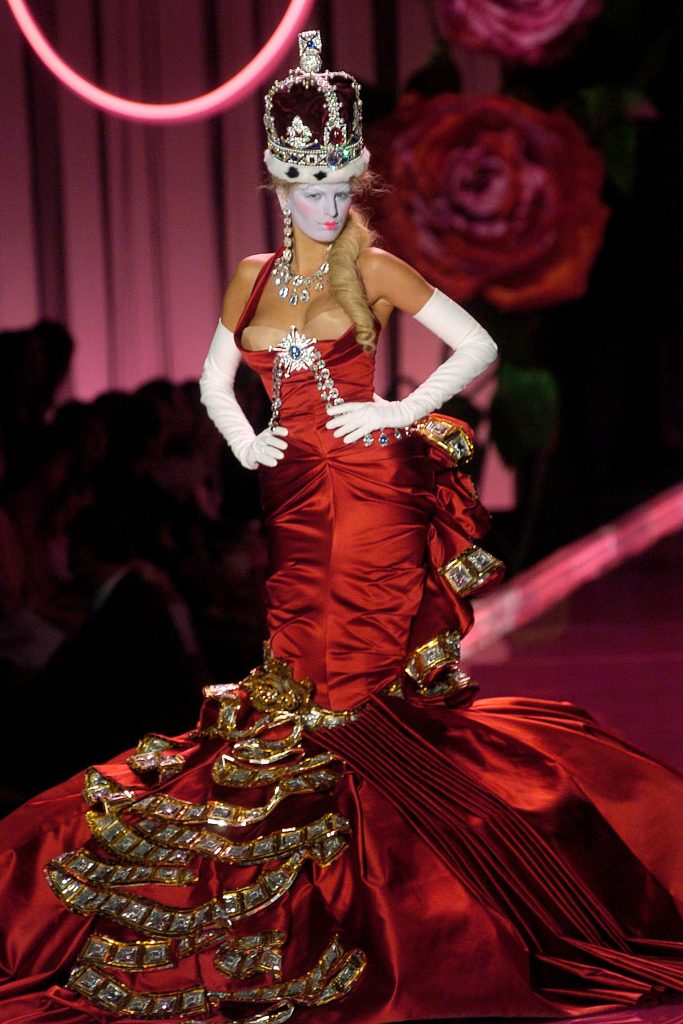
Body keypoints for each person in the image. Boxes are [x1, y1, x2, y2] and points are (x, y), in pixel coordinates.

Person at [1, 31, 682, 1024]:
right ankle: (321, 890)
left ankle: (405, 893)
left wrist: (398, 411)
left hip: (368, 495)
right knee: (293, 685)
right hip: (291, 497)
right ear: (278, 181)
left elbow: (474, 344)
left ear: (353, 176)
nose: (322, 200)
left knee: (353, 690)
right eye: (304, 182)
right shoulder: (250, 277)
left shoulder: (376, 268)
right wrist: (245, 438)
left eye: (334, 181)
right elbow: (211, 380)